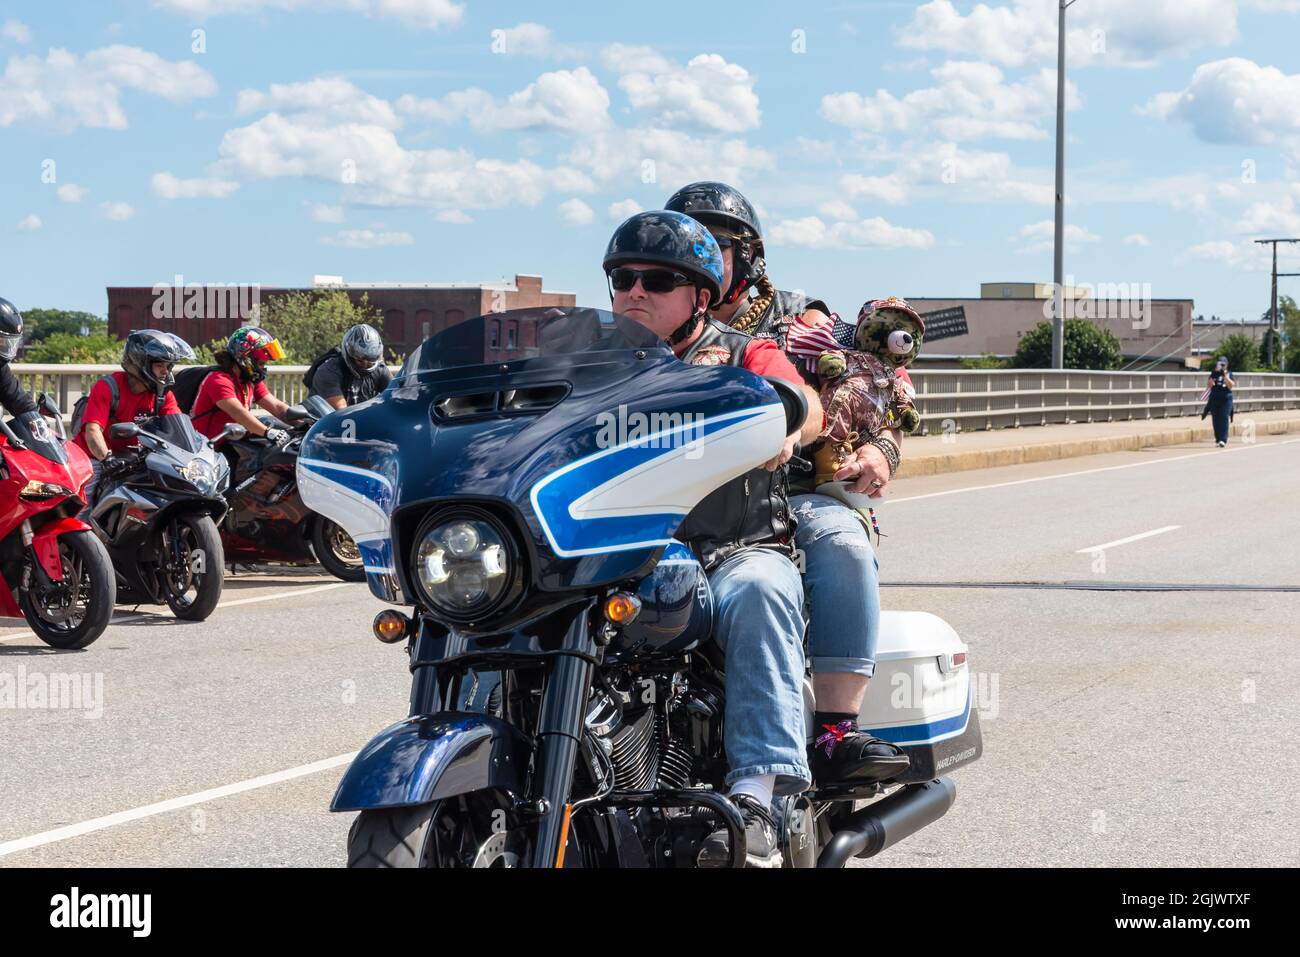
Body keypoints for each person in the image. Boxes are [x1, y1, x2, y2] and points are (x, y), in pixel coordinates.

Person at [606, 210, 867, 867]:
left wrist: (785, 420)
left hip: (733, 547)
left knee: (758, 592)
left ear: (699, 295)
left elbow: (802, 400)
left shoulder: (742, 349)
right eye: (622, 278)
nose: (635, 291)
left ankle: (760, 798)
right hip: (616, 552)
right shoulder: (590, 363)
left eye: (656, 279)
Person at [665, 182, 909, 785]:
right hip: (669, 495)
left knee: (840, 541)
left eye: (713, 244)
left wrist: (882, 448)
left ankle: (832, 731)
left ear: (747, 255)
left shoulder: (803, 321)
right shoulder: (649, 316)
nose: (692, 255)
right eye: (680, 243)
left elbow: (878, 387)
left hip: (789, 486)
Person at [73, 329, 193, 510]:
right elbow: (92, 431)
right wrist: (106, 459)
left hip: (135, 458)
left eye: (168, 366)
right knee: (84, 501)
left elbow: (177, 427)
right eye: (160, 365)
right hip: (97, 457)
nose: (165, 372)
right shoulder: (108, 387)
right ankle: (78, 535)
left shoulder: (163, 395)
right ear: (140, 362)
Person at [190, 326, 293, 444]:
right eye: (260, 363)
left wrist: (305, 422)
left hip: (233, 442)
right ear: (245, 357)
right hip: (209, 446)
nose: (263, 368)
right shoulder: (218, 380)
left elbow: (276, 406)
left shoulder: (249, 379)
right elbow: (238, 413)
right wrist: (268, 432)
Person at [306, 323, 391, 410]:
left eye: (370, 360)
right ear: (349, 354)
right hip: (326, 421)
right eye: (360, 360)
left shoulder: (380, 370)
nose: (365, 364)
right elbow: (341, 411)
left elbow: (394, 399)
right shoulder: (329, 371)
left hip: (363, 421)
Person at [1205, 356, 1235, 447]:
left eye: (1223, 364)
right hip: (1215, 398)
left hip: (1226, 398)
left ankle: (1223, 439)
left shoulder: (1229, 373)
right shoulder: (1214, 373)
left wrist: (1224, 375)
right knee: (1216, 419)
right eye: (1220, 364)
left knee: (1224, 417)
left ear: (1226, 364)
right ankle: (1218, 439)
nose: (1222, 366)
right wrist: (1214, 375)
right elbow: (1209, 385)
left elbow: (1231, 386)